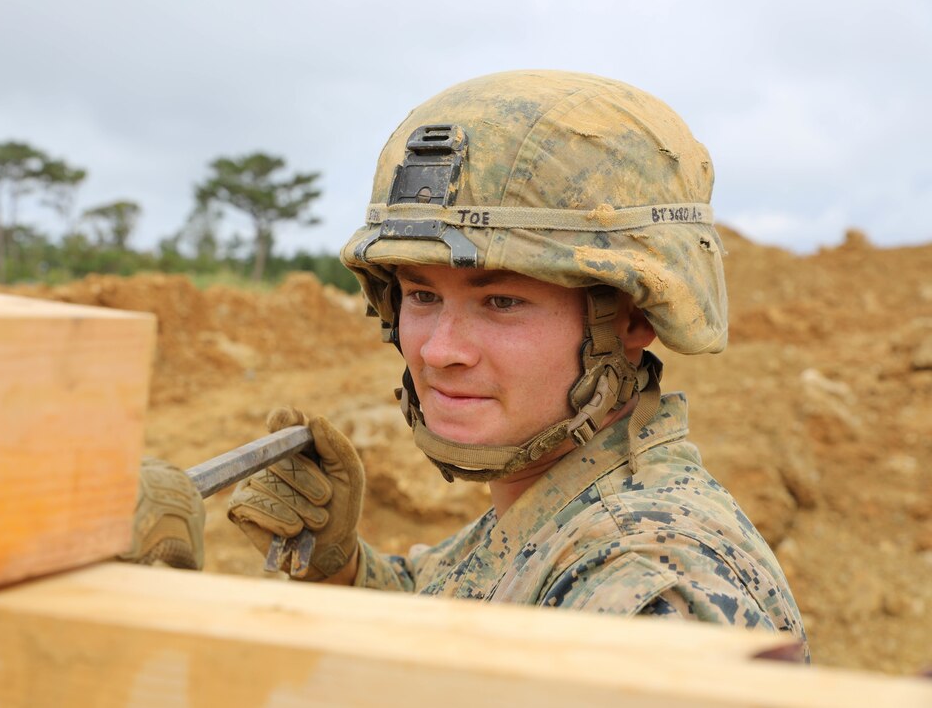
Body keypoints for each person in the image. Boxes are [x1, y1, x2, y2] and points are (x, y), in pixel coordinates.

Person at [223, 70, 803, 655]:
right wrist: (343, 572)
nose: (440, 351)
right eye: (423, 296)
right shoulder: (557, 504)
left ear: (629, 319)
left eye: (502, 302)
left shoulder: (641, 590)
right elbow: (461, 615)